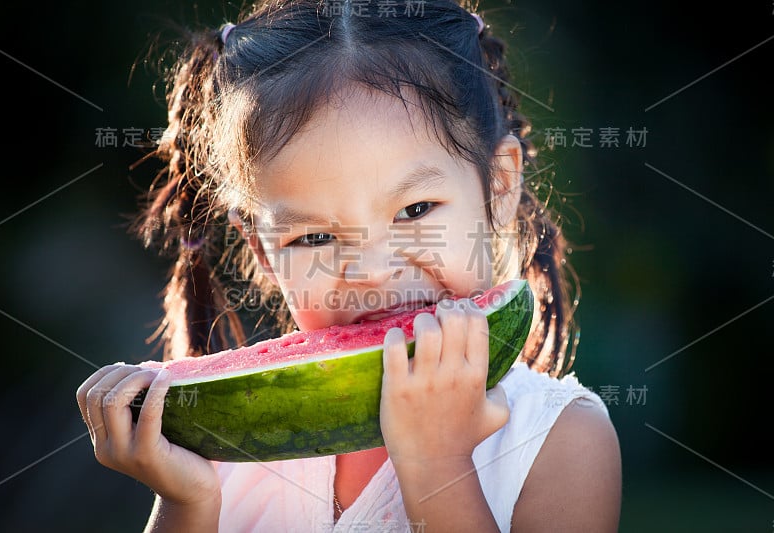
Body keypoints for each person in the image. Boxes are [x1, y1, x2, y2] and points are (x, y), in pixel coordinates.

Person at [76, 1, 621, 531]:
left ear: (497, 188)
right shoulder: (229, 454)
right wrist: (187, 503)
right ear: (263, 251)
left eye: (415, 210)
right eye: (314, 236)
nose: (372, 270)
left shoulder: (561, 438)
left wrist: (436, 464)